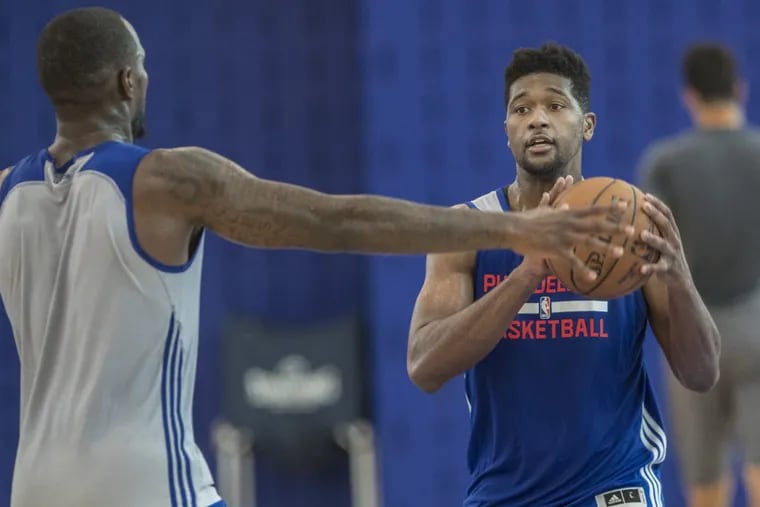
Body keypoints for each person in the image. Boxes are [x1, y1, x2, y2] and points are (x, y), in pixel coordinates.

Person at [0, 9, 630, 507]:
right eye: (143, 69)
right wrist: (515, 230)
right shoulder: (167, 180)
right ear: (127, 81)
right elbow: (338, 220)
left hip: (30, 485)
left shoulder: (7, 193)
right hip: (147, 483)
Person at [407, 42, 721, 507]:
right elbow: (424, 367)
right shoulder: (466, 230)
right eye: (522, 109)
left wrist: (680, 279)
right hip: (503, 494)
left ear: (587, 125)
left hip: (615, 486)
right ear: (507, 131)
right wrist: (529, 270)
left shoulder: (633, 230)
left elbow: (701, 373)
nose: (537, 119)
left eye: (555, 105)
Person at [637, 42, 760, 507]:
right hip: (757, 327)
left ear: (689, 95)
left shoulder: (665, 163)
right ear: (740, 89)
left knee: (705, 481)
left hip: (693, 338)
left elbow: (651, 257)